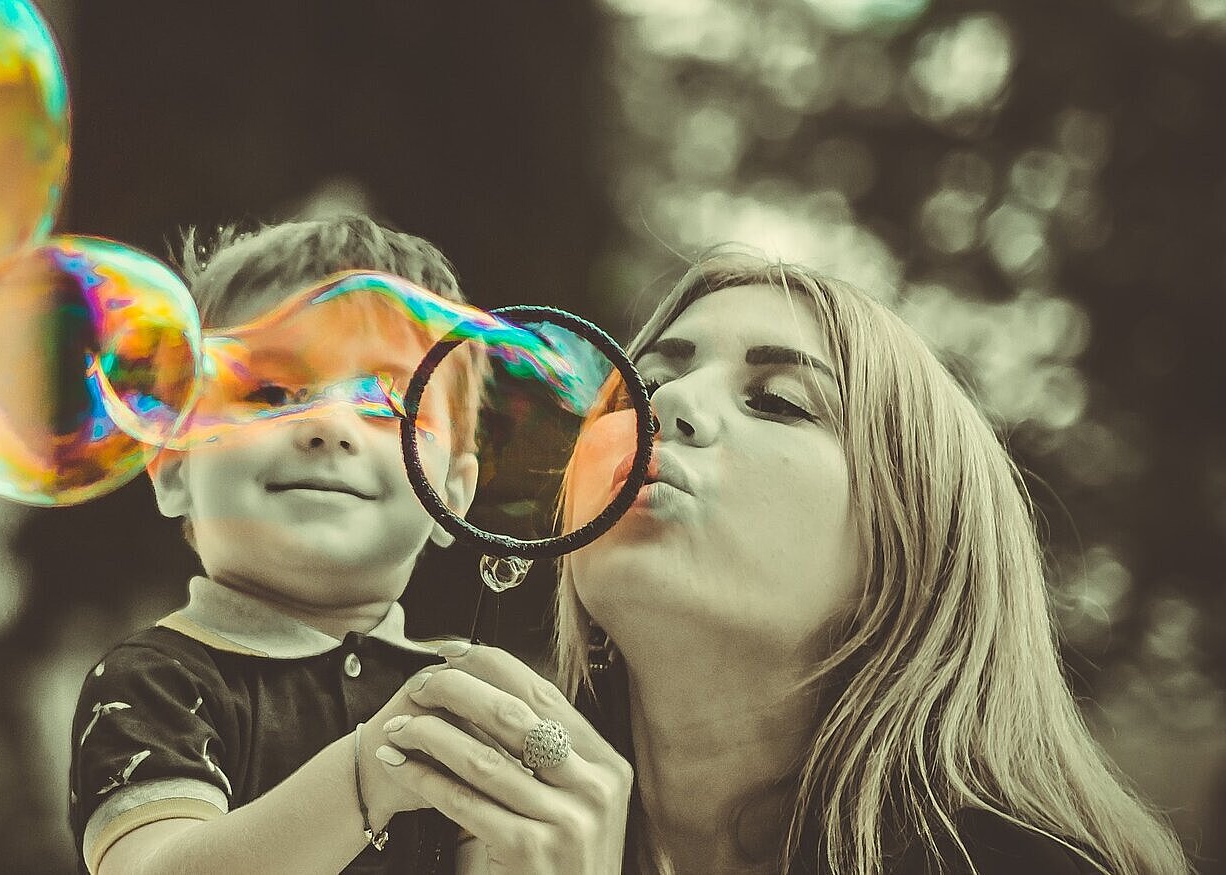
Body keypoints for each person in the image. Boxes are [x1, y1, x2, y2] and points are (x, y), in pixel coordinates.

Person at [367, 251, 1190, 873]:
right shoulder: (422, 820)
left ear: (909, 549)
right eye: (643, 384)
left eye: (778, 402)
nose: (673, 406)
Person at [68, 213, 488, 874]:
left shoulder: (459, 699)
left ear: (454, 496)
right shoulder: (155, 680)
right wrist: (369, 773)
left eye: (383, 400)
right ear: (176, 468)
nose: (327, 424)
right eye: (268, 392)